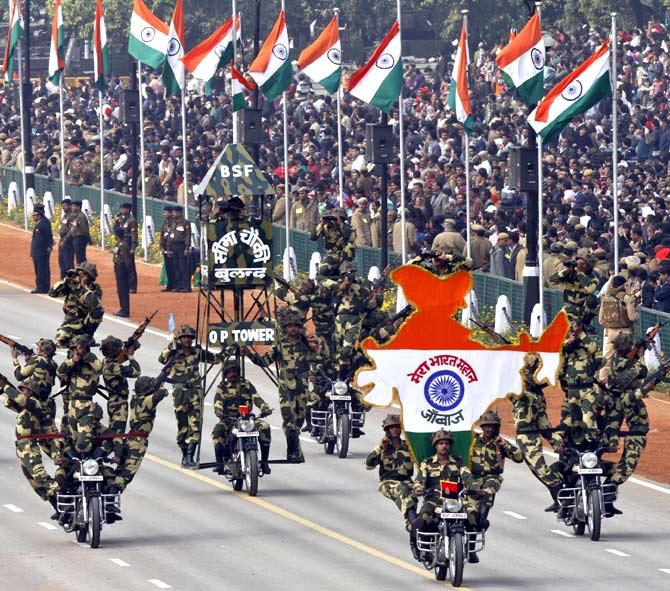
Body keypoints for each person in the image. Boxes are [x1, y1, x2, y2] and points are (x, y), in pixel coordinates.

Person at [247, 311, 322, 462]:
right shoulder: (279, 345)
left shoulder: (306, 344)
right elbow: (264, 362)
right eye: (290, 326)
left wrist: (319, 344)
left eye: (295, 326)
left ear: (300, 328)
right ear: (285, 328)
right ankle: (292, 452)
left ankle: (296, 448)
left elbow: (320, 359)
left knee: (298, 422)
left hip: (302, 389)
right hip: (286, 389)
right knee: (289, 422)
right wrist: (249, 353)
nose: (293, 329)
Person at [412, 430, 478, 562]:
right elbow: (419, 480)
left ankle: (470, 548)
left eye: (446, 443)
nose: (444, 446)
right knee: (422, 517)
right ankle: (424, 550)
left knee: (473, 514)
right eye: (441, 443)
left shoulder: (458, 462)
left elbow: (467, 476)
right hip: (434, 500)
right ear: (435, 446)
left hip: (454, 499)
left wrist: (474, 487)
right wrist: (419, 488)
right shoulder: (428, 463)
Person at [158, 325, 220, 467]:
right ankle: (184, 453)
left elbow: (215, 359)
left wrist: (230, 350)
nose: (187, 340)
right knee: (182, 427)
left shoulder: (197, 351)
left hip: (195, 392)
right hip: (180, 393)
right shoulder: (173, 351)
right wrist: (172, 346)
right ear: (179, 338)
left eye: (189, 338)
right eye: (184, 337)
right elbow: (161, 359)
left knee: (195, 425)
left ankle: (189, 457)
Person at [511, 353, 564, 512]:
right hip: (524, 436)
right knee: (538, 472)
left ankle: (561, 499)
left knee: (542, 471)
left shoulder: (529, 395)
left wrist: (554, 441)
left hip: (529, 437)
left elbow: (543, 423)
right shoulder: (529, 393)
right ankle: (559, 499)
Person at [0, 376, 59, 515]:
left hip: (29, 445)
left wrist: (5, 386)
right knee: (36, 484)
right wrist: (3, 389)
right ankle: (60, 509)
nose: (21, 392)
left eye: (24, 390)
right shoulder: (23, 406)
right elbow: (8, 401)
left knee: (40, 477)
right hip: (21, 446)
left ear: (31, 392)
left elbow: (19, 398)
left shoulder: (34, 403)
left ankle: (62, 491)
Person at [365, 414, 419, 559]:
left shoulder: (408, 446)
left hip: (407, 481)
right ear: (386, 430)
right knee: (403, 492)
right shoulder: (382, 446)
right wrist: (380, 448)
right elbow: (368, 465)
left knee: (420, 506)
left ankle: (416, 540)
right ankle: (414, 524)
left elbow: (422, 462)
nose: (395, 430)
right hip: (388, 482)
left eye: (397, 427)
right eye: (391, 428)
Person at [212, 360, 273, 475]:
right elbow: (217, 401)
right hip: (229, 420)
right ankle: (219, 464)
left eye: (234, 371)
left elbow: (257, 398)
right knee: (217, 432)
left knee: (265, 427)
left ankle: (264, 462)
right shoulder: (222, 387)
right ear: (225, 374)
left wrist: (265, 408)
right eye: (229, 372)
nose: (232, 374)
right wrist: (218, 410)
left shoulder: (247, 384)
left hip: (247, 420)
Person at [468, 411, 523, 531]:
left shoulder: (500, 443)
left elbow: (519, 458)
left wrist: (505, 446)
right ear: (482, 427)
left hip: (491, 476)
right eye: (487, 426)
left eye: (492, 426)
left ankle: (483, 518)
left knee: (488, 490)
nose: (489, 429)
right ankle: (472, 528)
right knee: (469, 509)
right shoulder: (473, 441)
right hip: (472, 477)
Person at [115, 376, 168, 491]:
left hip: (130, 439)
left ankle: (108, 494)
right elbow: (163, 393)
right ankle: (112, 494)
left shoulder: (136, 399)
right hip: (137, 442)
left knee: (120, 470)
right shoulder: (146, 401)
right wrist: (161, 385)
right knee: (127, 474)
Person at [11, 338, 58, 457]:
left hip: (34, 404)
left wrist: (15, 358)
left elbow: (19, 375)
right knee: (47, 437)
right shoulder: (54, 364)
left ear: (42, 350)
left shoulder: (36, 359)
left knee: (29, 435)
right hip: (48, 404)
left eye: (39, 348)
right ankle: (60, 457)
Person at [56, 335, 103, 455]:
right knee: (72, 439)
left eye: (78, 348)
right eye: (73, 349)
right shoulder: (72, 362)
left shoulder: (91, 362)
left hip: (85, 404)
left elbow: (98, 368)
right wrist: (73, 360)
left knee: (83, 442)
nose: (75, 351)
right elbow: (59, 372)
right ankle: (76, 464)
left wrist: (85, 354)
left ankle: (91, 457)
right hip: (72, 404)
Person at [559, 320, 601, 447]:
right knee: (574, 423)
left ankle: (589, 448)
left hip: (587, 389)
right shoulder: (566, 346)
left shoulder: (586, 343)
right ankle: (574, 448)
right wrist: (569, 341)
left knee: (588, 422)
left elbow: (594, 348)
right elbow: (558, 350)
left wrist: (581, 334)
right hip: (572, 391)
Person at [100, 336, 141, 456]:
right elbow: (136, 372)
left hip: (114, 401)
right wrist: (131, 356)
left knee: (113, 433)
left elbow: (118, 361)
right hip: (119, 403)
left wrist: (129, 348)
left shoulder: (107, 362)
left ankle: (101, 454)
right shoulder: (113, 366)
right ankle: (117, 457)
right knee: (118, 433)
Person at [598, 275, 638, 380]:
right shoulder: (626, 298)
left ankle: (602, 384)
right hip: (625, 333)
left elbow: (601, 320)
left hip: (610, 332)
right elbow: (632, 317)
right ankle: (625, 385)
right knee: (626, 360)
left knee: (607, 361)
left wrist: (610, 326)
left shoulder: (606, 298)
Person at [76, 262, 105, 343]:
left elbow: (93, 302)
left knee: (98, 312)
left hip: (84, 318)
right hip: (72, 317)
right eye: (80, 273)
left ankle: (88, 335)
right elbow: (52, 293)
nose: (80, 275)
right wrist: (65, 280)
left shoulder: (95, 288)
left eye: (83, 274)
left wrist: (84, 286)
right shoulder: (73, 283)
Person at [112, 203, 138, 293]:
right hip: (120, 243)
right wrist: (115, 221)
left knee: (130, 266)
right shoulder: (121, 219)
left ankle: (132, 286)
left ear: (127, 210)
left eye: (123, 209)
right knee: (121, 265)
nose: (121, 211)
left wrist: (133, 247)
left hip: (128, 244)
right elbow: (115, 230)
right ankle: (124, 286)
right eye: (121, 209)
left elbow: (134, 235)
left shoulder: (132, 220)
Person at [30, 203, 53, 294]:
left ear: (39, 215)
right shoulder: (42, 222)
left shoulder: (43, 223)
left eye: (34, 215)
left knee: (41, 270)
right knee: (40, 269)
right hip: (38, 250)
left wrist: (48, 246)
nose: (33, 217)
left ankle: (41, 287)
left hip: (41, 251)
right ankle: (43, 287)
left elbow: (48, 236)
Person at [112, 227, 133, 318]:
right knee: (120, 289)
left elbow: (127, 260)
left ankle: (125, 310)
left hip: (122, 268)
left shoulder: (123, 245)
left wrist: (129, 273)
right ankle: (122, 308)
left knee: (123, 290)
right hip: (118, 267)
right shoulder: (119, 244)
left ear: (117, 235)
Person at [171, 205, 191, 292]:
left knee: (183, 267)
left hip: (181, 246)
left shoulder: (185, 222)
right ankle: (178, 286)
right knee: (176, 266)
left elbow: (187, 235)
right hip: (174, 246)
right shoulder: (173, 222)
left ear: (179, 213)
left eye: (174, 212)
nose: (173, 214)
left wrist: (187, 247)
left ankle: (186, 286)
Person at [57, 197, 75, 279]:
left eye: (65, 205)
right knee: (61, 261)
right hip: (62, 240)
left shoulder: (72, 216)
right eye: (62, 205)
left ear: (70, 206)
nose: (63, 207)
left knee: (68, 262)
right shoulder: (65, 215)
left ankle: (70, 280)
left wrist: (65, 240)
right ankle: (63, 279)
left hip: (68, 241)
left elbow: (72, 230)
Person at [160, 205, 176, 292]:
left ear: (170, 213)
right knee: (168, 267)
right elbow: (162, 235)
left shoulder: (174, 222)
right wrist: (161, 247)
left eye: (166, 212)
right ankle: (170, 285)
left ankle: (175, 285)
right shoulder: (165, 222)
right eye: (164, 212)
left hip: (173, 247)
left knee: (173, 267)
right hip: (165, 246)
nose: (164, 214)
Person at [69, 200, 91, 264]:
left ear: (78, 207)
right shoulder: (76, 216)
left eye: (73, 206)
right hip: (77, 239)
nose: (72, 208)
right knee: (79, 257)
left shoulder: (81, 216)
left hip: (80, 239)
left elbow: (85, 230)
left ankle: (83, 271)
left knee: (80, 258)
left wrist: (89, 240)